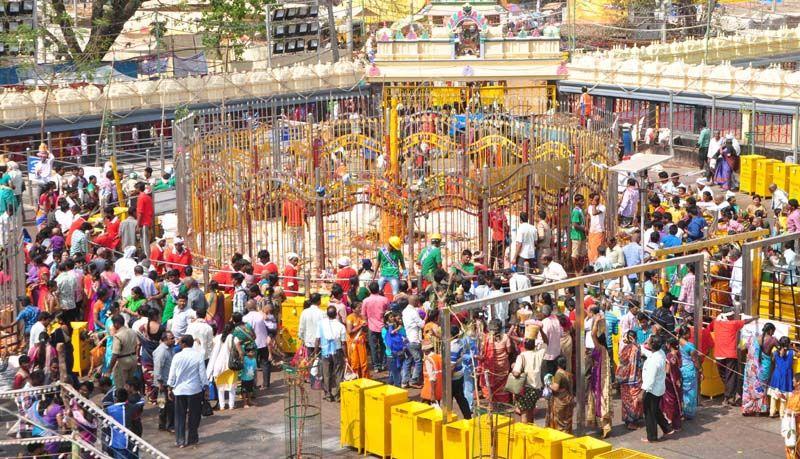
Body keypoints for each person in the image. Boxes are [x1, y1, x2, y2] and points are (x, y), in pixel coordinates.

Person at [167, 335, 209, 448]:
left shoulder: (177, 356)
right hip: (195, 390)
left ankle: (180, 440)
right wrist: (206, 387)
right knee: (194, 415)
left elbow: (172, 374)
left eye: (180, 342)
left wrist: (169, 387)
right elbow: (202, 373)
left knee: (180, 416)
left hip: (180, 390)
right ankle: (192, 438)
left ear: (184, 344)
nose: (179, 344)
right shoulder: (198, 356)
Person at [711, 308, 756, 406]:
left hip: (718, 354)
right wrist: (755, 318)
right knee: (731, 376)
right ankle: (728, 397)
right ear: (728, 316)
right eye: (731, 316)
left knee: (725, 376)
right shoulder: (733, 324)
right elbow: (745, 321)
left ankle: (730, 395)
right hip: (730, 354)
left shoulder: (716, 322)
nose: (732, 317)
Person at [640, 334, 675, 443]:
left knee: (649, 413)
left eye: (649, 341)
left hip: (651, 390)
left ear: (652, 345)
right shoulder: (660, 353)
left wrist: (641, 393)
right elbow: (647, 350)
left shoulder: (653, 361)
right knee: (655, 410)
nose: (647, 342)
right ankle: (667, 428)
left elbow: (650, 380)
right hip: (659, 388)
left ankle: (652, 437)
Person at [586, 306, 612, 438]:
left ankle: (604, 426)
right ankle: (601, 425)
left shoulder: (599, 347)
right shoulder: (603, 348)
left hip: (600, 378)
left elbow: (592, 334)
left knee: (600, 398)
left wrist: (595, 322)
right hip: (598, 375)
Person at [743, 322, 778, 415]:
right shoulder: (773, 339)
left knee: (754, 387)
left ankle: (750, 409)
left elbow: (743, 348)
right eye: (773, 331)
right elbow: (780, 350)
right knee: (762, 387)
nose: (773, 333)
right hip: (765, 366)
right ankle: (761, 409)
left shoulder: (755, 339)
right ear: (770, 330)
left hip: (754, 367)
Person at [511, 338, 546, 423]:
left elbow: (516, 373)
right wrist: (541, 330)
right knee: (530, 412)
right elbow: (546, 342)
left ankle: (525, 435)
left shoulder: (522, 356)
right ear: (534, 345)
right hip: (536, 389)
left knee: (524, 414)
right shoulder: (539, 353)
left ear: (524, 346)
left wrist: (513, 367)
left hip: (526, 389)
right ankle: (531, 432)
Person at [207, 323, 238, 410]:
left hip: (218, 364)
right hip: (230, 365)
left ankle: (222, 406)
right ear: (232, 330)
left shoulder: (217, 338)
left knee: (220, 386)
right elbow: (237, 348)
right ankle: (231, 405)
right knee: (232, 386)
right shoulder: (233, 337)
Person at [617, 330, 643, 429]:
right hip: (632, 378)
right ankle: (631, 422)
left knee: (630, 400)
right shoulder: (636, 347)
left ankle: (630, 420)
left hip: (628, 378)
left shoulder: (629, 348)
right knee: (633, 400)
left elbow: (621, 360)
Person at [482, 319, 513, 403]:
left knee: (491, 385)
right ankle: (503, 403)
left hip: (491, 368)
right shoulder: (505, 337)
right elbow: (509, 350)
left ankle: (492, 403)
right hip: (503, 366)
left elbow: (482, 352)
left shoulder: (486, 338)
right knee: (502, 386)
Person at [362, 282, 389, 372]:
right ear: (378, 289)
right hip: (383, 326)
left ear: (370, 290)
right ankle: (382, 364)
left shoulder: (366, 301)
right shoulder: (384, 299)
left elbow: (363, 314)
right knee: (383, 346)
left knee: (373, 347)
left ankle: (376, 366)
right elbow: (388, 312)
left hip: (371, 326)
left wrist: (366, 322)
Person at [106, 314, 138, 388]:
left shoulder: (118, 336)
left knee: (121, 386)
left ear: (116, 324)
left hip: (123, 362)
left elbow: (115, 354)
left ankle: (122, 399)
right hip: (133, 359)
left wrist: (110, 369)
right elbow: (137, 344)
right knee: (130, 385)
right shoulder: (132, 331)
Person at [153, 331, 175, 432]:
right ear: (165, 339)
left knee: (167, 405)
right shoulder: (161, 351)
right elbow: (158, 368)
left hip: (168, 382)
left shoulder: (170, 349)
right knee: (164, 405)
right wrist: (160, 383)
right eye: (171, 338)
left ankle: (165, 424)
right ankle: (166, 425)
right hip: (163, 383)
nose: (173, 340)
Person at [546, 355, 575, 434]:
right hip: (568, 399)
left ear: (557, 364)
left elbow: (555, 388)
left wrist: (548, 384)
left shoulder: (559, 373)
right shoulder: (568, 374)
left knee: (560, 422)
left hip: (560, 400)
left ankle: (561, 437)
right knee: (567, 420)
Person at [678, 326, 701, 420]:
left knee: (682, 391)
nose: (690, 334)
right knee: (690, 392)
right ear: (685, 334)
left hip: (680, 369)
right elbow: (694, 360)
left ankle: (681, 410)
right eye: (689, 333)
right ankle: (688, 412)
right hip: (689, 370)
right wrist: (699, 369)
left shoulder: (677, 342)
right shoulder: (690, 346)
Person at [661, 338, 683, 431]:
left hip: (670, 382)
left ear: (669, 345)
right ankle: (677, 424)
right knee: (677, 401)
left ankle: (671, 422)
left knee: (670, 402)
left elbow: (667, 371)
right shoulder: (678, 354)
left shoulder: (669, 356)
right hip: (678, 381)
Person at [769, 336, 794, 418]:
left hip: (777, 374)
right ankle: (782, 414)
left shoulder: (775, 352)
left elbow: (773, 360)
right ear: (789, 344)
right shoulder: (791, 352)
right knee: (784, 397)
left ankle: (772, 412)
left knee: (774, 395)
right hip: (786, 376)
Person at [345, 302, 370, 379]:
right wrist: (360, 326)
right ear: (353, 309)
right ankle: (355, 378)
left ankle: (365, 378)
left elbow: (365, 330)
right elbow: (349, 331)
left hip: (361, 342)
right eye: (358, 308)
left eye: (361, 307)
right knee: (354, 362)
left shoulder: (362, 317)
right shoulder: (349, 318)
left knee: (364, 362)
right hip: (353, 343)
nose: (360, 309)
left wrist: (365, 326)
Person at [570, 194, 587, 273]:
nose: (583, 202)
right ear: (576, 202)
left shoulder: (580, 210)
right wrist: (584, 228)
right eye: (581, 201)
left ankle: (581, 269)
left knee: (582, 254)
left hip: (581, 235)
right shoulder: (576, 211)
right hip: (576, 235)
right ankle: (576, 270)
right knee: (575, 254)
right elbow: (575, 224)